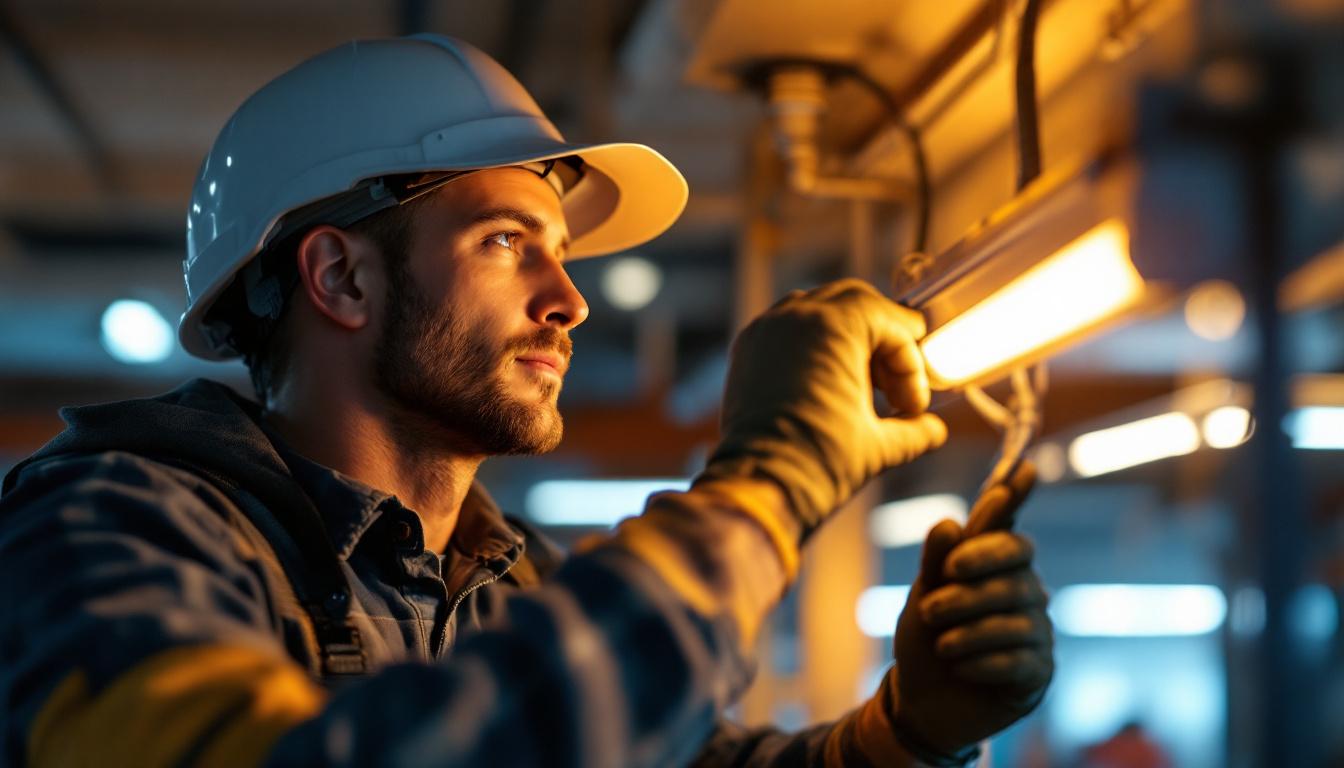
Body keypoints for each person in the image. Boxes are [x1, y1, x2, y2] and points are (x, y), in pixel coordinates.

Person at [0, 34, 1053, 767]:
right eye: (507, 242)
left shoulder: (503, 586)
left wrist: (905, 736)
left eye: (560, 252)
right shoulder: (102, 533)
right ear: (341, 280)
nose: (570, 301)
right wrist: (766, 488)